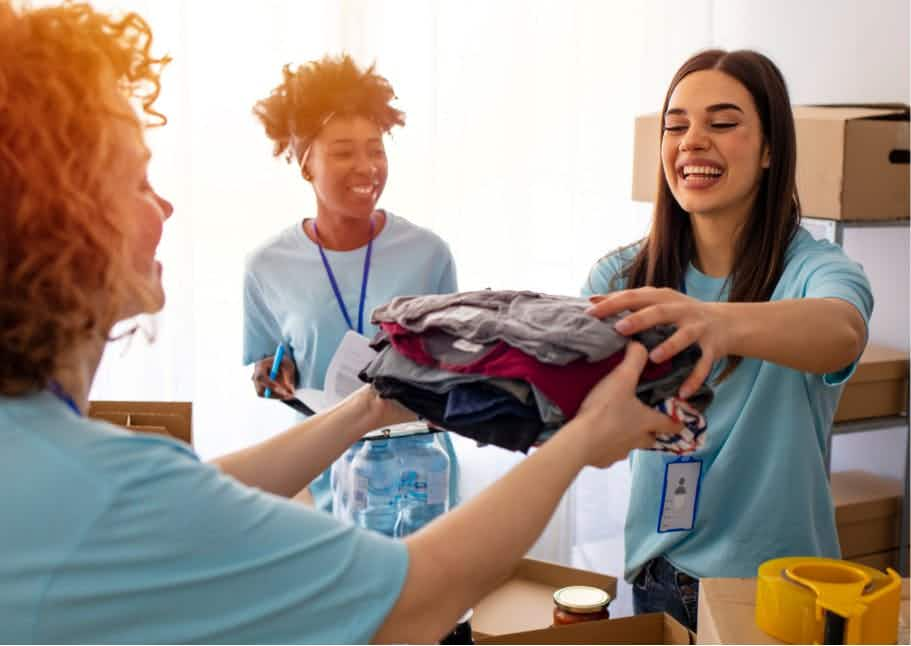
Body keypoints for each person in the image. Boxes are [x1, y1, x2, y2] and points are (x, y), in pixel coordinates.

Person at [0, 3, 682, 643]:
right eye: (139, 182)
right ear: (65, 215)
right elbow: (411, 602)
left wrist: (365, 408)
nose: (166, 207)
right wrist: (585, 437)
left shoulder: (51, 455)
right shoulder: (102, 486)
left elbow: (190, 490)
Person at [583, 49, 873, 631]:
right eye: (676, 125)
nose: (692, 141)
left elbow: (842, 330)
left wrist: (715, 323)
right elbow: (586, 419)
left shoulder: (815, 269)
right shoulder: (620, 280)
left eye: (721, 124)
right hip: (659, 574)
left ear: (770, 150)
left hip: (781, 587)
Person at [245, 54, 460, 511]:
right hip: (322, 477)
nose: (367, 167)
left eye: (376, 149)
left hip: (418, 478)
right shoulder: (266, 265)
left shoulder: (429, 254)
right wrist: (270, 376)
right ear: (306, 165)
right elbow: (265, 369)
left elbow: (453, 368)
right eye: (344, 152)